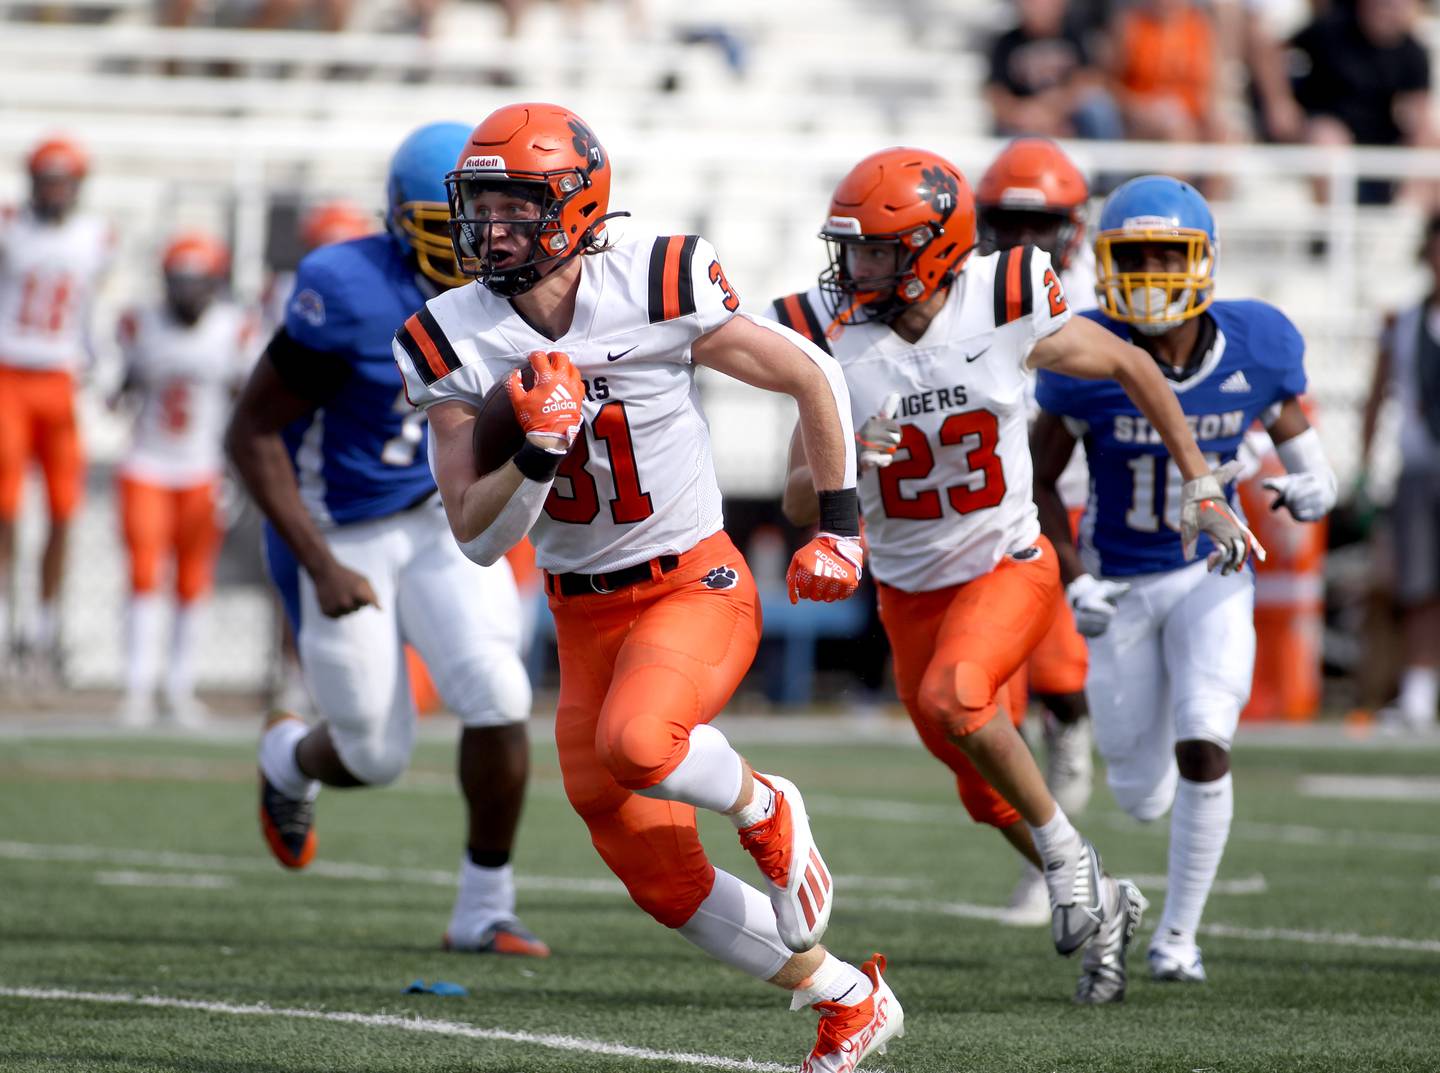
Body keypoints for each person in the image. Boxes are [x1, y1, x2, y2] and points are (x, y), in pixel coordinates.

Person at [393, 102, 901, 1072]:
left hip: (691, 583)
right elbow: (474, 531)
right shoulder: (447, 336)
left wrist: (838, 525)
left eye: (516, 206)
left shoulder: (658, 281)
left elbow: (812, 374)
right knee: (660, 879)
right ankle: (849, 993)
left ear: (578, 208)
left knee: (638, 741)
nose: (490, 228)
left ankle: (763, 801)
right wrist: (538, 454)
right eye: (480, 205)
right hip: (580, 607)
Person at [778, 147, 1258, 1005]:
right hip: (908, 589)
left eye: (878, 251)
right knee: (983, 788)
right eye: (850, 249)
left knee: (954, 699)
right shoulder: (831, 333)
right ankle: (1107, 901)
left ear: (932, 249)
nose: (855, 269)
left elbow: (1132, 364)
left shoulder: (1002, 297)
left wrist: (1202, 478)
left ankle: (1070, 864)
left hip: (1009, 560)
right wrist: (840, 461)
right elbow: (790, 497)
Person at [226, 121, 549, 959]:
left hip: (440, 516)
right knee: (373, 753)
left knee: (498, 689)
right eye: (457, 225)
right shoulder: (347, 286)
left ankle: (486, 905)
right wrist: (320, 561)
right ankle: (289, 757)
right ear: (407, 221)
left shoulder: (529, 281)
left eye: (500, 218)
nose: (484, 241)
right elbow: (252, 434)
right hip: (343, 527)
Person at [1031, 175, 1336, 983]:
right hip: (1120, 585)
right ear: (1105, 264)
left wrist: (1313, 488)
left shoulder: (1258, 342)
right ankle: (1148, 890)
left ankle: (1177, 938)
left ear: (1205, 260)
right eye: (1137, 255)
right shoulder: (1083, 351)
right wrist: (1073, 582)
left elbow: (1311, 465)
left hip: (1210, 571)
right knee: (1140, 794)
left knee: (1207, 734)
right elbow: (1034, 481)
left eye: (1171, 252)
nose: (1155, 270)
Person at [974, 136, 1096, 923]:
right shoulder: (965, 287)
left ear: (1072, 229)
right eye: (1005, 224)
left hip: (1074, 507)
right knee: (993, 704)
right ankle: (1056, 852)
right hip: (985, 514)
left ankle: (1065, 838)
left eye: (1039, 224)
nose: (1022, 243)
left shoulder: (1096, 299)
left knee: (1064, 687)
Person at [113, 232, 255, 726]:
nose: (188, 293)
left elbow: (245, 402)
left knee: (193, 582)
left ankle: (178, 687)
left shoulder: (233, 329)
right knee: (144, 577)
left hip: (202, 468)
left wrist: (236, 469)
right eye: (180, 282)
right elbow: (117, 391)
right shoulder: (139, 323)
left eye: (197, 282)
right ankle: (136, 687)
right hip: (147, 464)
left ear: (215, 284)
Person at [0, 136, 115, 684]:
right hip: (8, 374)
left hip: (60, 378)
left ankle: (44, 631)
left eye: (64, 180)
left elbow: (90, 309)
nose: (55, 191)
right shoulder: (9, 226)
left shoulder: (96, 237)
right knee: (5, 505)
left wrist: (95, 359)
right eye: (48, 179)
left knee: (64, 509)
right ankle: (6, 625)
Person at [1358, 211, 1440, 732]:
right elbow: (1377, 397)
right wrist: (1367, 468)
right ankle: (1418, 692)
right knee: (1419, 585)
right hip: (1419, 466)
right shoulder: (1404, 321)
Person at [983, 0, 1125, 142]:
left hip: (1067, 117)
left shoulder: (1076, 36)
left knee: (1098, 107)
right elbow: (996, 94)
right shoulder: (1006, 43)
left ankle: (1104, 160)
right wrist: (1023, 115)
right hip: (1024, 123)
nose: (1039, 7)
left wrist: (1052, 110)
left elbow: (1090, 81)